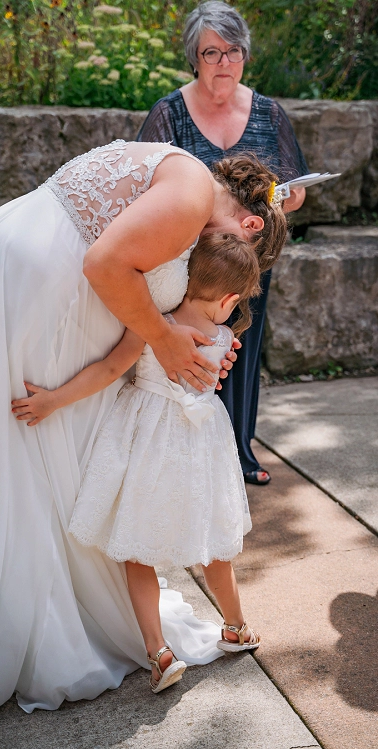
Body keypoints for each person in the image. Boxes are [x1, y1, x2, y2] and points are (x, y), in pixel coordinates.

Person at [0, 140, 286, 748]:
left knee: (1, 446)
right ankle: (14, 622)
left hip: (3, 261)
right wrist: (167, 339)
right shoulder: (195, 191)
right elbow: (103, 264)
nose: (216, 254)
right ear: (250, 226)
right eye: (239, 245)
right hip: (29, 286)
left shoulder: (178, 170)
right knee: (21, 451)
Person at [13, 233, 262, 693]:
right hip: (201, 446)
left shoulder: (154, 325)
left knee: (135, 550)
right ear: (229, 299)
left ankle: (158, 652)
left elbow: (109, 370)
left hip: (147, 440)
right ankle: (236, 626)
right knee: (215, 546)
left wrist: (53, 401)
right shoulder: (225, 336)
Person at [137, 0, 309, 485]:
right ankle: (185, 461)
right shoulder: (169, 112)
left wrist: (286, 198)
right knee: (192, 349)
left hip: (252, 260)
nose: (224, 64)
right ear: (195, 57)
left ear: (245, 56)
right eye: (212, 53)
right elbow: (149, 182)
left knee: (242, 351)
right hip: (191, 262)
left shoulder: (270, 113)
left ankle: (240, 453)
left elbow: (292, 189)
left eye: (233, 52)